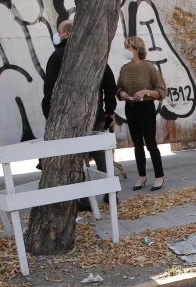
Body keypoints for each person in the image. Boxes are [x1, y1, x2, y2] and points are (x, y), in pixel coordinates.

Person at [42, 19, 118, 174]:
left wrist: (50, 114)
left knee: (78, 155)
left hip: (67, 117)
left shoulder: (57, 57)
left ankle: (84, 195)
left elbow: (49, 90)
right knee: (100, 152)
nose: (57, 35)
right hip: (95, 114)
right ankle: (110, 191)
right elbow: (110, 84)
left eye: (59, 31)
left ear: (67, 34)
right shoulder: (94, 55)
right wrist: (109, 111)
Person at [116, 36, 167, 191]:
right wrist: (122, 93)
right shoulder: (125, 68)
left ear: (137, 49)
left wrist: (146, 92)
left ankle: (159, 176)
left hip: (146, 108)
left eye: (128, 47)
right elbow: (119, 88)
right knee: (137, 144)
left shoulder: (149, 68)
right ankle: (142, 175)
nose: (126, 50)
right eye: (125, 47)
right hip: (130, 108)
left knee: (150, 143)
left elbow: (162, 91)